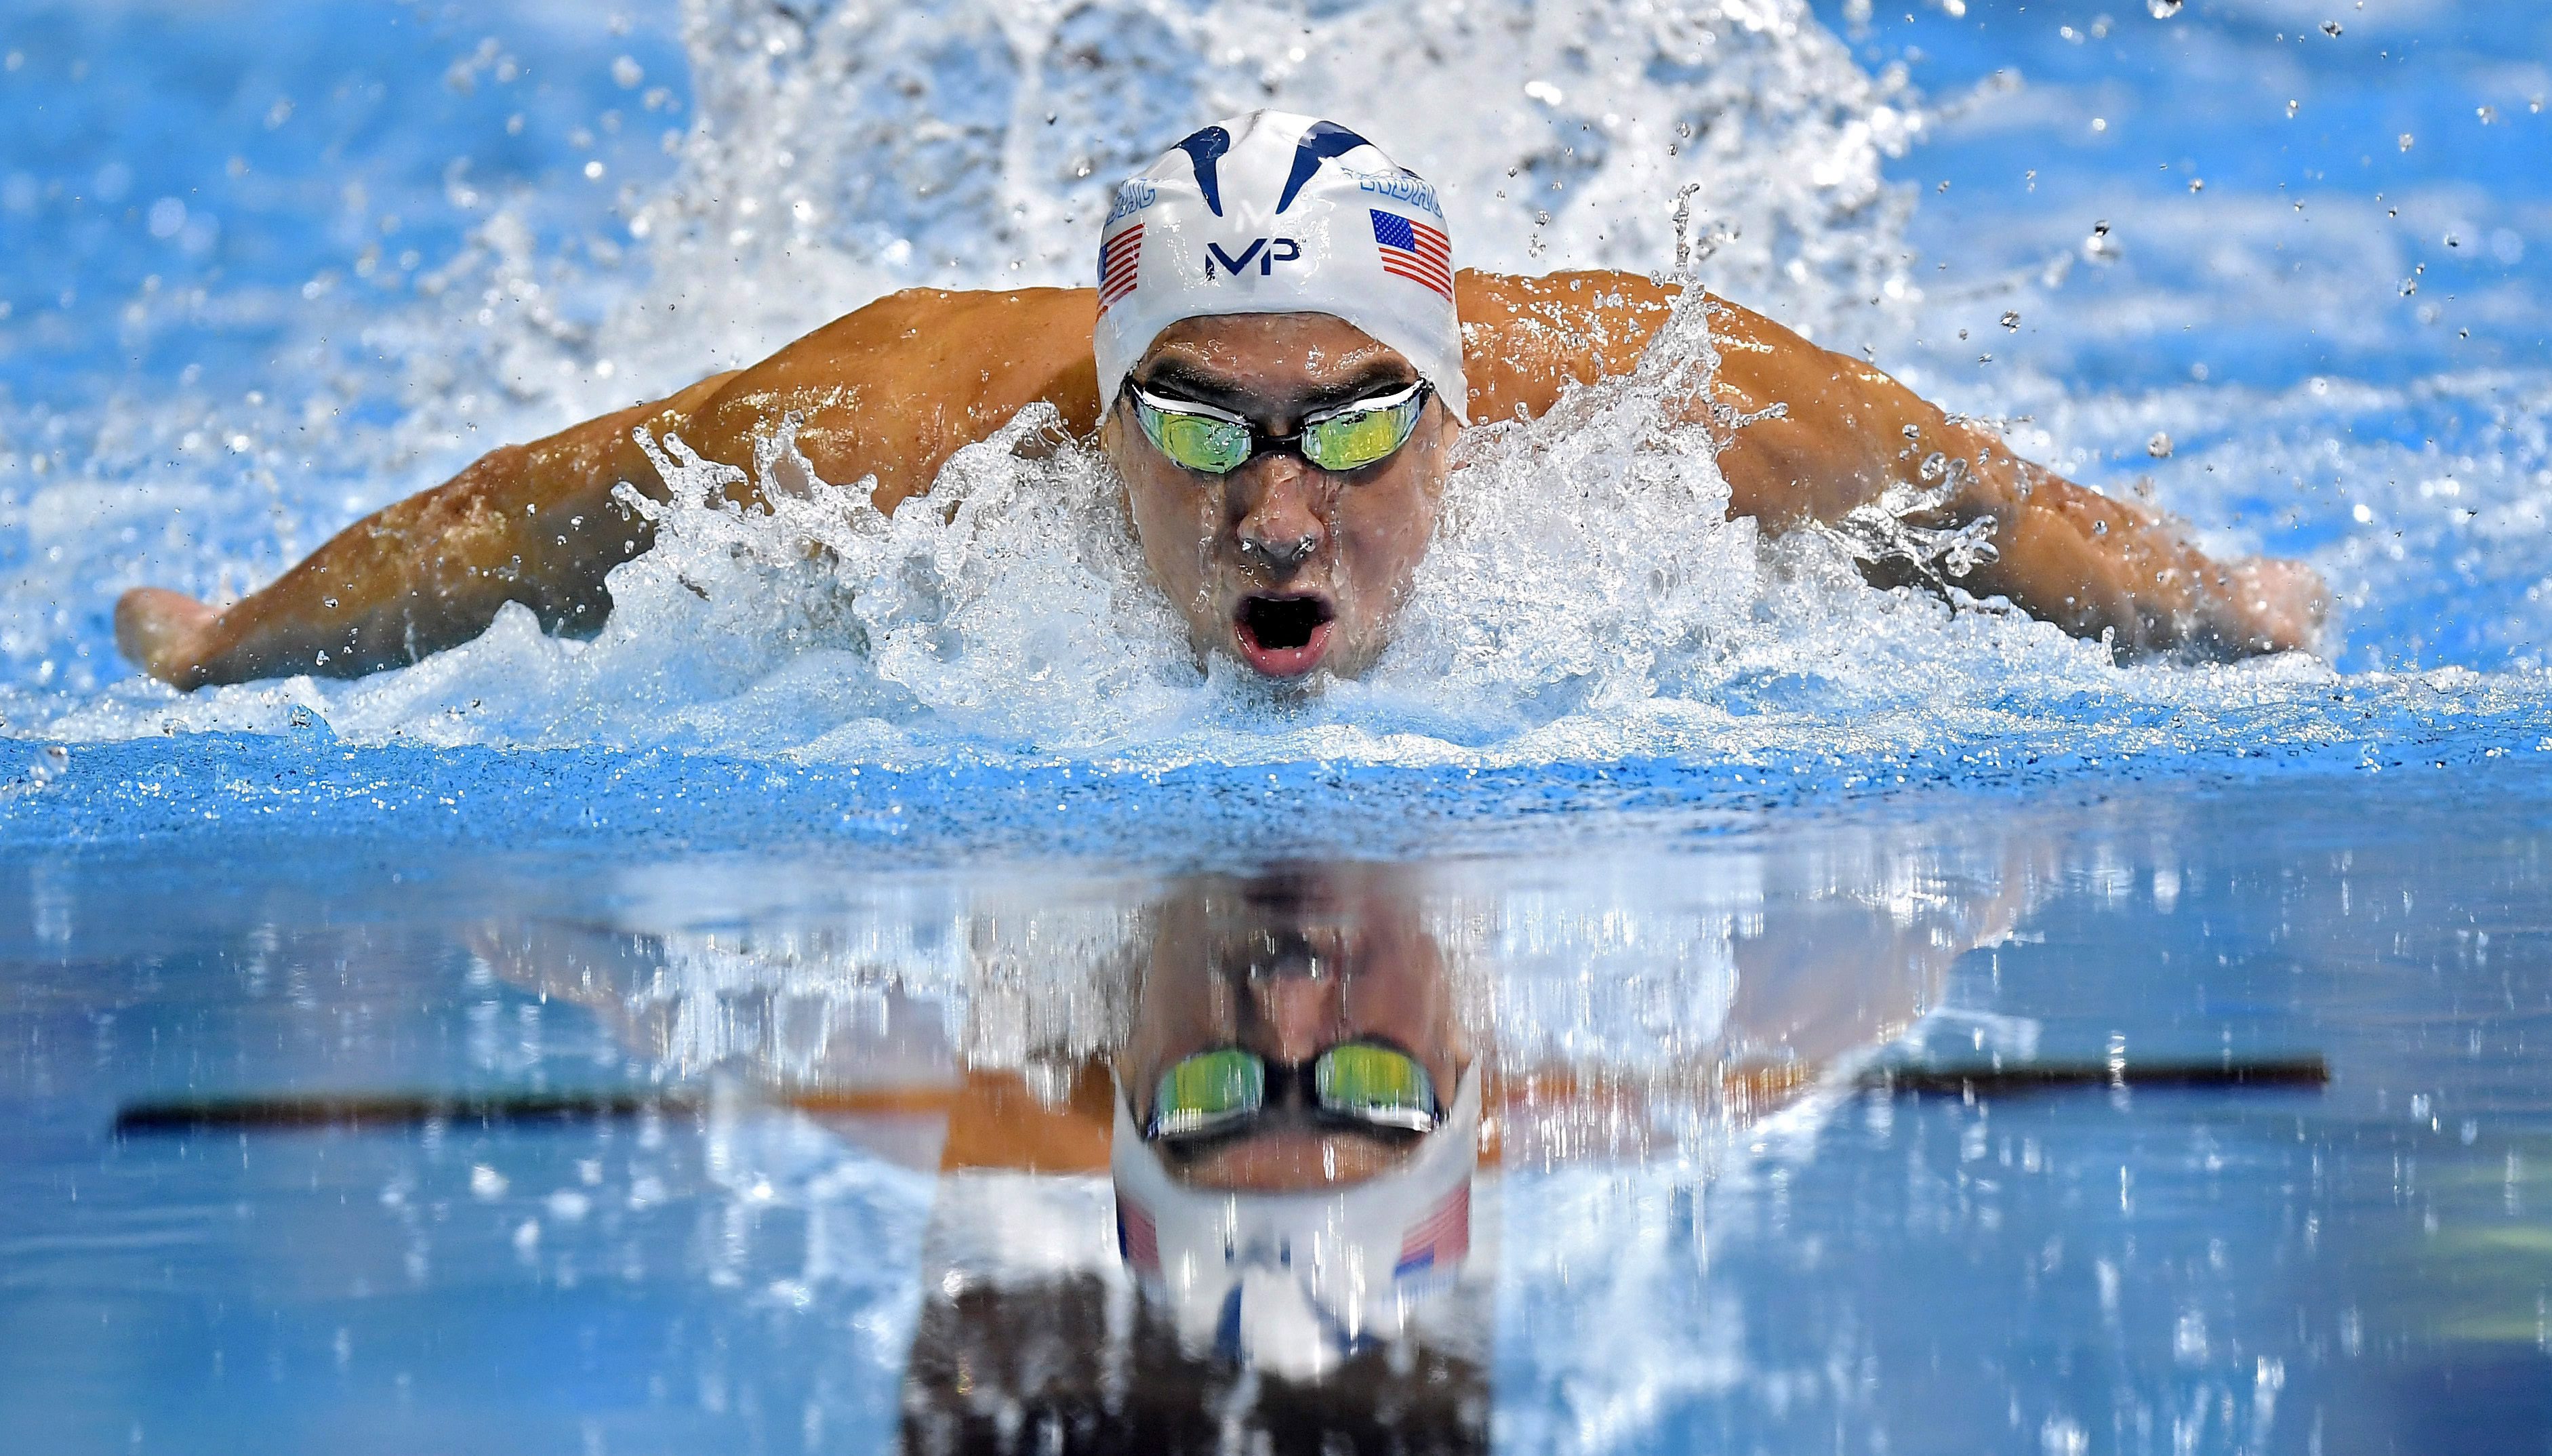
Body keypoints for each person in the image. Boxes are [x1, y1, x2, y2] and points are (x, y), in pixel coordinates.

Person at [115, 110, 2326, 689]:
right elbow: (534, 512)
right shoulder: (897, 428)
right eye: (1194, 424)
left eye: (1360, 421)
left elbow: (1984, 499)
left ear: (1463, 412)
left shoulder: (1675, 399)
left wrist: (2228, 613)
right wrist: (229, 650)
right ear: (1096, 420)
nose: (1281, 515)